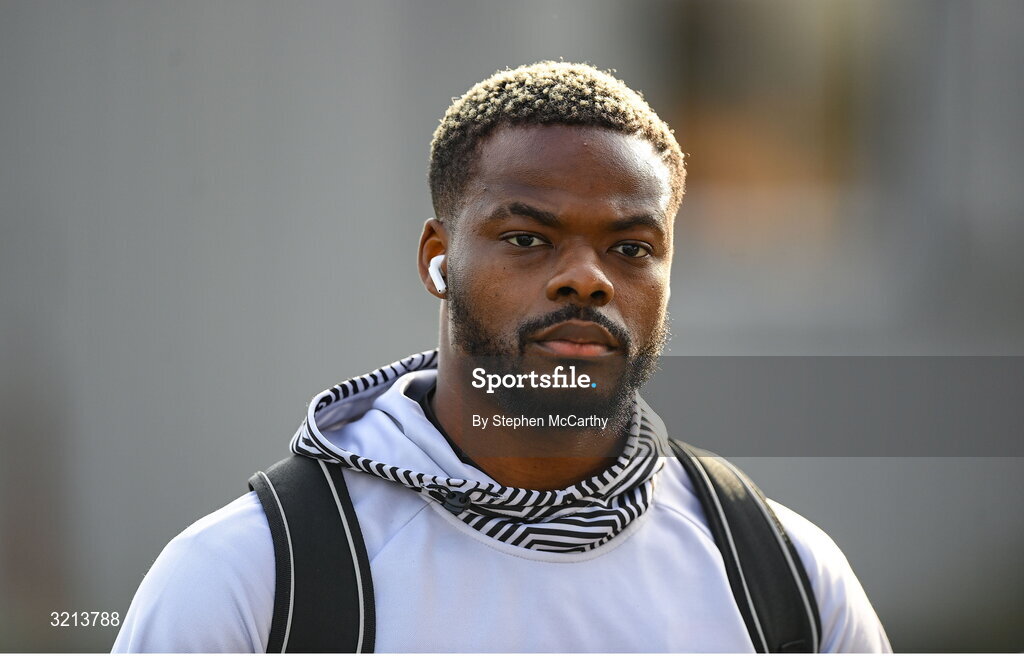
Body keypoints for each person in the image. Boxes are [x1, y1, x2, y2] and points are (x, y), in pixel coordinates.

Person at [112, 61, 891, 653]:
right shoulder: (254, 577)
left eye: (630, 246)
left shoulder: (781, 576)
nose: (587, 277)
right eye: (528, 238)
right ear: (436, 258)